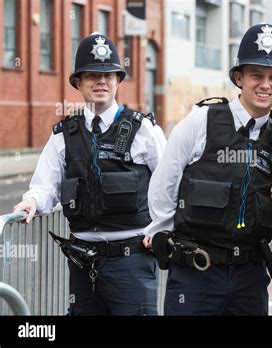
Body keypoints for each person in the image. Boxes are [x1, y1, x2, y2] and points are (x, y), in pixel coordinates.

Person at [143, 23, 272, 315]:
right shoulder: (202, 121)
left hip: (250, 277)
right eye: (256, 75)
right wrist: (161, 230)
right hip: (196, 272)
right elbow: (166, 180)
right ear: (239, 78)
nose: (265, 84)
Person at [13, 32, 167, 315]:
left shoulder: (143, 130)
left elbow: (172, 184)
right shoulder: (63, 135)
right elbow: (45, 185)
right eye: (92, 75)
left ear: (118, 81)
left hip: (132, 261)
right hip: (83, 262)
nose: (101, 81)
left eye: (109, 75)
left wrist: (162, 227)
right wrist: (32, 201)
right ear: (78, 83)